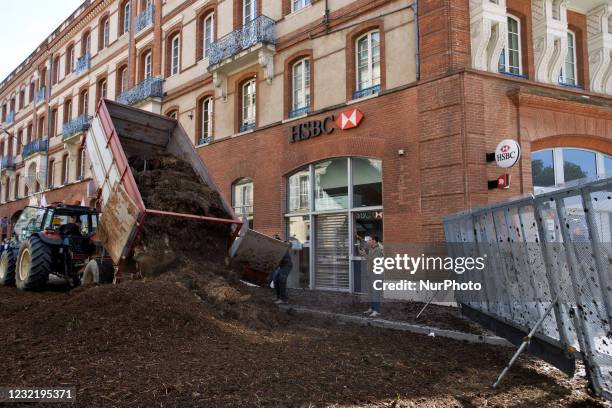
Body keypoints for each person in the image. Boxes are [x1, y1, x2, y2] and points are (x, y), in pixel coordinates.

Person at [357, 234, 384, 317]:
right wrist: (359, 240)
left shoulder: (378, 250)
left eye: (370, 240)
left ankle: (377, 310)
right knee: (371, 292)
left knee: (376, 292)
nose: (369, 241)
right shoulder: (372, 249)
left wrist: (364, 254)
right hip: (370, 273)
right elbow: (365, 246)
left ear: (374, 241)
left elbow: (373, 260)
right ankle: (372, 308)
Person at [273, 236, 293, 304]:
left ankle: (284, 299)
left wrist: (287, 242)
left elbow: (290, 244)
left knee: (281, 279)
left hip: (287, 265)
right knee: (275, 279)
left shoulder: (283, 245)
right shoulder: (274, 249)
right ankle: (278, 297)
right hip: (282, 266)